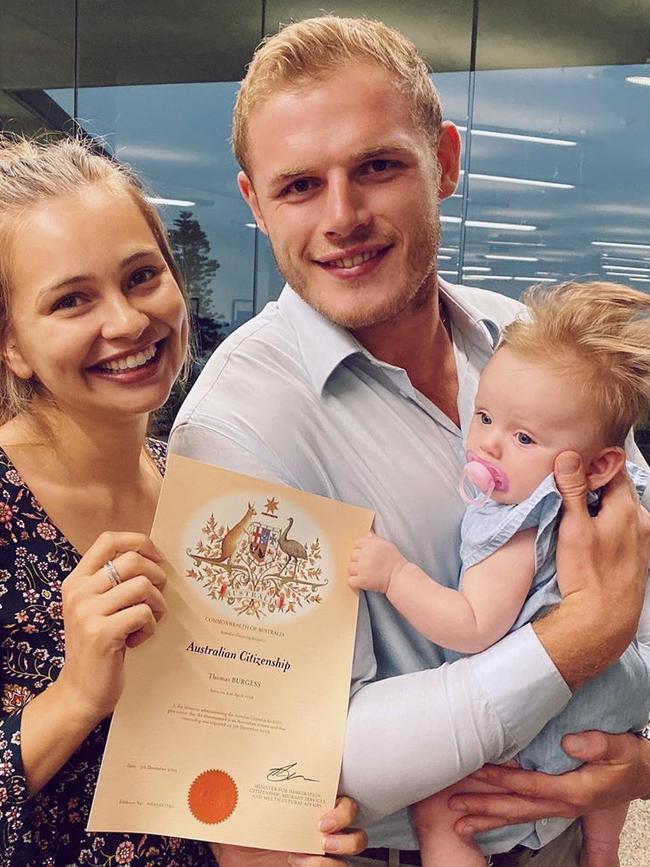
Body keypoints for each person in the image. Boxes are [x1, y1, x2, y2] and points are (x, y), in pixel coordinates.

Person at [169, 15, 650, 867]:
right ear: (253, 204)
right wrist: (577, 641)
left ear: (447, 162)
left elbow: (637, 568)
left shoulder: (523, 338)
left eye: (378, 166)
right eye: (299, 186)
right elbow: (294, 753)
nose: (342, 216)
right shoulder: (236, 431)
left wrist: (633, 761)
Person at [0, 136, 365, 867]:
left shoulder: (215, 496)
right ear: (11, 343)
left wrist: (290, 826)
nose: (129, 321)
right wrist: (74, 696)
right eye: (72, 299)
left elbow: (239, 755)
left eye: (141, 277)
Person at [348, 280, 650, 867]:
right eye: (484, 416)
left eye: (524, 437)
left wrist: (395, 576)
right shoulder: (619, 500)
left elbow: (473, 626)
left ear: (600, 462)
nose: (488, 445)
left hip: (554, 715)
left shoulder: (516, 525)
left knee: (440, 808)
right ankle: (604, 851)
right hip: (618, 704)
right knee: (608, 765)